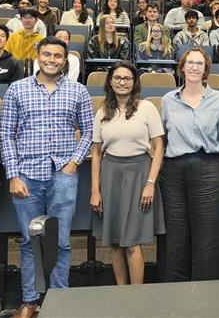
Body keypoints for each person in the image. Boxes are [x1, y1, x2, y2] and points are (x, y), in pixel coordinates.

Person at [0, 36, 93, 317]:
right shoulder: (17, 89)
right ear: (37, 57)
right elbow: (6, 135)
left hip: (63, 176)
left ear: (65, 61)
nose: (52, 60)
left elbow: (89, 131)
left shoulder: (78, 91)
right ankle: (30, 301)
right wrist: (13, 175)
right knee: (29, 242)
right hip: (26, 176)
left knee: (62, 242)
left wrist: (74, 163)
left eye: (58, 56)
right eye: (47, 54)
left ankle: (59, 300)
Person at [160, 47, 219, 281]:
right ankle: (175, 290)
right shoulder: (167, 101)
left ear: (206, 70)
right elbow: (161, 140)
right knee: (175, 236)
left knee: (209, 236)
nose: (194, 67)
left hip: (208, 170)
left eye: (199, 64)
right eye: (190, 63)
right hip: (173, 172)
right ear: (182, 67)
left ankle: (206, 292)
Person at [90, 61, 165, 285]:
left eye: (127, 78)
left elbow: (159, 147)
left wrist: (150, 183)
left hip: (139, 174)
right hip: (111, 175)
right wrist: (95, 190)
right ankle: (121, 294)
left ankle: (136, 297)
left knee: (132, 243)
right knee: (114, 241)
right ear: (110, 82)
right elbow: (96, 153)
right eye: (118, 78)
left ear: (134, 83)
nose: (122, 82)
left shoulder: (147, 108)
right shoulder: (102, 111)